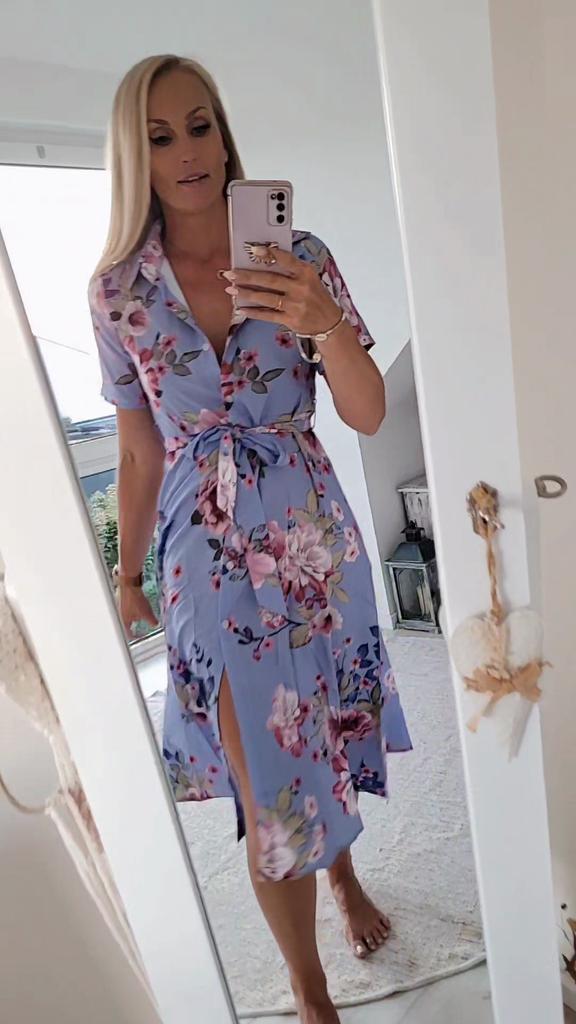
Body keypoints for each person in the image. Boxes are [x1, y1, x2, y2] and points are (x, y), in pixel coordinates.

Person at [88, 53, 412, 1024]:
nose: (187, 151)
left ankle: (343, 876)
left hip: (310, 531)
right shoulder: (117, 292)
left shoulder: (297, 255)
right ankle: (311, 989)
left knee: (316, 726)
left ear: (224, 132)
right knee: (264, 771)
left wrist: (324, 321)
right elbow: (138, 449)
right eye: (158, 137)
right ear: (134, 157)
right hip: (201, 546)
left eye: (199, 125)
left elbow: (367, 412)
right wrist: (129, 573)